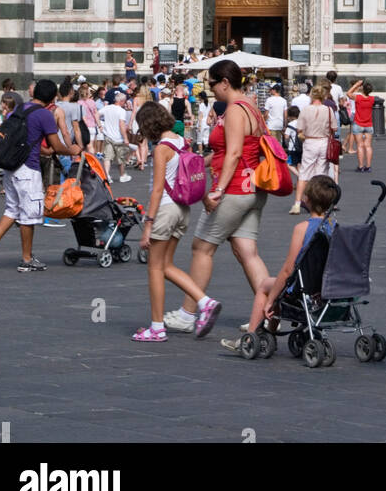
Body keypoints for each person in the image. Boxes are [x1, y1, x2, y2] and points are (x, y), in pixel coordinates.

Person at [164, 60, 268, 335]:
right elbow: (234, 151)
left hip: (234, 188)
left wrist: (217, 190)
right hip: (253, 188)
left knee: (201, 248)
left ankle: (189, 312)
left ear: (224, 83)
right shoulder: (252, 107)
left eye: (211, 84)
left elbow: (234, 153)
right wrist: (199, 162)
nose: (210, 90)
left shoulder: (235, 110)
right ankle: (268, 313)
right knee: (247, 251)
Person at [132, 102, 221, 342]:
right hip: (183, 210)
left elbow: (158, 189)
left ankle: (157, 327)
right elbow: (196, 173)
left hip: (165, 209)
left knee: (154, 268)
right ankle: (205, 301)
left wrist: (148, 223)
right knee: (167, 265)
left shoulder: (162, 148)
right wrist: (204, 201)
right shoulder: (182, 142)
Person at [220, 174, 337, 355]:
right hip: (326, 287)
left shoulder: (302, 228)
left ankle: (251, 336)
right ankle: (269, 333)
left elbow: (288, 269)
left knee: (265, 286)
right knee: (275, 288)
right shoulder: (334, 226)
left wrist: (271, 299)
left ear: (307, 199)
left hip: (304, 287)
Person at [0, 80, 82, 272]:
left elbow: (28, 140)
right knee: (28, 214)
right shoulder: (45, 114)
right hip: (28, 168)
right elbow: (57, 146)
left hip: (11, 166)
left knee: (12, 209)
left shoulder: (21, 108)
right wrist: (73, 150)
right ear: (52, 97)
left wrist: (44, 151)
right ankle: (26, 259)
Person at [289, 84, 336, 214]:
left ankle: (298, 203)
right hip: (324, 141)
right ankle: (320, 203)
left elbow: (299, 129)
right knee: (321, 174)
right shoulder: (328, 110)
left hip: (310, 141)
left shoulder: (305, 110)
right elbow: (335, 128)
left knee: (304, 173)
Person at [99, 91, 132, 184]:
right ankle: (122, 175)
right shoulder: (121, 111)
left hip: (108, 136)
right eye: (124, 101)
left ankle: (107, 176)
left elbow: (96, 114)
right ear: (121, 101)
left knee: (107, 157)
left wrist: (100, 126)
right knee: (120, 158)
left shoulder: (107, 108)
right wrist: (125, 138)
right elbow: (121, 125)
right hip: (118, 138)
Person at [347, 79, 376, 172]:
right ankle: (368, 166)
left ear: (362, 89)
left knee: (359, 146)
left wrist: (356, 84)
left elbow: (348, 93)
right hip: (368, 124)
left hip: (358, 123)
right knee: (368, 146)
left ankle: (360, 166)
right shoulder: (372, 99)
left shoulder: (358, 98)